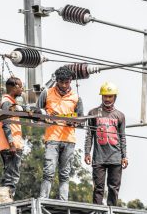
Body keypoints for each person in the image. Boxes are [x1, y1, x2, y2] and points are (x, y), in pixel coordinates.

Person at [37, 66, 83, 200]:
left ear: (71, 81)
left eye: (67, 82)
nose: (63, 85)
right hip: (52, 138)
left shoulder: (76, 97)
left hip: (69, 140)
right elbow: (36, 112)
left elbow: (81, 118)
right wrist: (47, 116)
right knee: (48, 171)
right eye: (61, 82)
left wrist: (74, 121)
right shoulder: (47, 93)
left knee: (65, 173)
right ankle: (43, 199)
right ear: (56, 80)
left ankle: (64, 201)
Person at [84, 82, 128, 206]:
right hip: (99, 158)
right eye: (105, 96)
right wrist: (87, 152)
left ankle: (111, 210)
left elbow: (122, 137)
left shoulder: (120, 115)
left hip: (115, 157)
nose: (107, 99)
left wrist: (124, 156)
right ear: (101, 96)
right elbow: (89, 135)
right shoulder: (93, 113)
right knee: (98, 189)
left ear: (115, 97)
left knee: (113, 189)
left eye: (110, 96)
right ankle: (97, 211)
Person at [0, 76, 24, 201]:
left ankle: (7, 200)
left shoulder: (11, 103)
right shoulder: (6, 102)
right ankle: (7, 202)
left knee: (11, 176)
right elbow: (5, 124)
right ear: (14, 87)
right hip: (10, 146)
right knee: (11, 177)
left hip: (12, 145)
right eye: (20, 86)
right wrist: (12, 144)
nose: (22, 89)